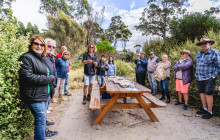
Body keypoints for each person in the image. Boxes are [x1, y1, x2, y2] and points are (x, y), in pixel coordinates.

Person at [19, 35, 58, 140]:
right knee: (41, 120)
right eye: (36, 44)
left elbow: (52, 72)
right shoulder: (26, 57)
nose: (39, 46)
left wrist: (52, 90)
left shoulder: (43, 57)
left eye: (42, 44)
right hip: (34, 96)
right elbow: (28, 76)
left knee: (41, 119)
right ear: (31, 44)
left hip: (45, 94)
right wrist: (49, 78)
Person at [195, 38, 220, 119]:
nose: (204, 45)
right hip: (199, 77)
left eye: (206, 43)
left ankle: (210, 112)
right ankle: (204, 108)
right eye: (202, 43)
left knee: (208, 94)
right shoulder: (199, 54)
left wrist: (213, 77)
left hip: (209, 78)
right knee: (201, 93)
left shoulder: (215, 53)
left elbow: (218, 67)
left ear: (210, 44)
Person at [45, 38, 57, 133]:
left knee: (47, 106)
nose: (51, 48)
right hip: (45, 87)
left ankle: (45, 122)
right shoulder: (43, 57)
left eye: (53, 47)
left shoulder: (50, 57)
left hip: (51, 85)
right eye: (49, 46)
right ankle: (45, 130)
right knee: (43, 108)